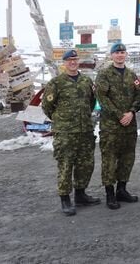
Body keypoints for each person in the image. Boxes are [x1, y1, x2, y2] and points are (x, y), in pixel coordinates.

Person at [42, 49, 100, 216]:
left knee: (85, 164)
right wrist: (61, 120)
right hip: (66, 132)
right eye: (69, 60)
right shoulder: (56, 83)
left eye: (75, 59)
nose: (73, 62)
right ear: (64, 63)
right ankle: (65, 199)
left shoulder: (86, 81)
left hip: (84, 131)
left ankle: (81, 195)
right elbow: (47, 106)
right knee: (66, 165)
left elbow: (91, 102)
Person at [95, 42, 140, 209]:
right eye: (117, 52)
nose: (120, 55)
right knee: (109, 160)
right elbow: (102, 98)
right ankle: (110, 194)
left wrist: (131, 112)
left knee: (127, 158)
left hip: (129, 125)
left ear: (126, 55)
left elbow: (139, 95)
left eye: (123, 52)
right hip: (111, 126)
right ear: (112, 55)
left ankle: (122, 190)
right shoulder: (104, 74)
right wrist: (119, 114)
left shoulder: (132, 75)